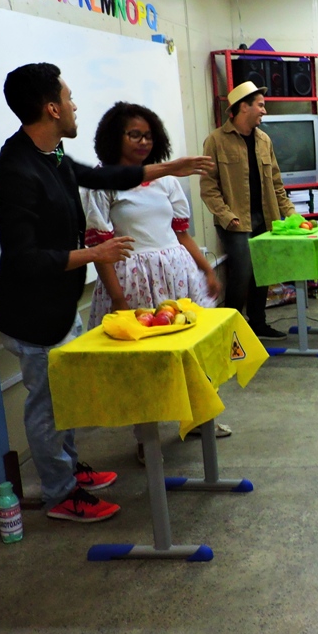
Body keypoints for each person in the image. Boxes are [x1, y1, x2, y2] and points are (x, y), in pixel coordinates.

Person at [0, 62, 212, 523]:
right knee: (47, 407)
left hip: (59, 302)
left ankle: (70, 471)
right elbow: (23, 259)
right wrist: (96, 254)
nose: (74, 106)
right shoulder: (16, 169)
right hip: (33, 312)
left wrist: (170, 167)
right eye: (68, 98)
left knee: (64, 397)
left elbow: (103, 176)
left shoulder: (50, 155)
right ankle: (59, 495)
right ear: (51, 108)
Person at [81, 102, 228, 463]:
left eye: (148, 135)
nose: (143, 142)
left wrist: (206, 270)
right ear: (115, 138)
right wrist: (118, 299)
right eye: (134, 135)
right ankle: (145, 438)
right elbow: (100, 247)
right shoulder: (103, 183)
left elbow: (181, 234)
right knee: (142, 364)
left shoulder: (166, 180)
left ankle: (198, 418)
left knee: (190, 350)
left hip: (177, 276)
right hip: (133, 282)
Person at [200, 80, 295, 340]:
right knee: (242, 271)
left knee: (262, 270)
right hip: (234, 221)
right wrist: (226, 216)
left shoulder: (264, 140)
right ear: (244, 107)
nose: (264, 111)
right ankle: (231, 328)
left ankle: (258, 323)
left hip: (265, 218)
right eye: (260, 105)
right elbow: (208, 187)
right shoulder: (216, 141)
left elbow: (276, 182)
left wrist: (290, 212)